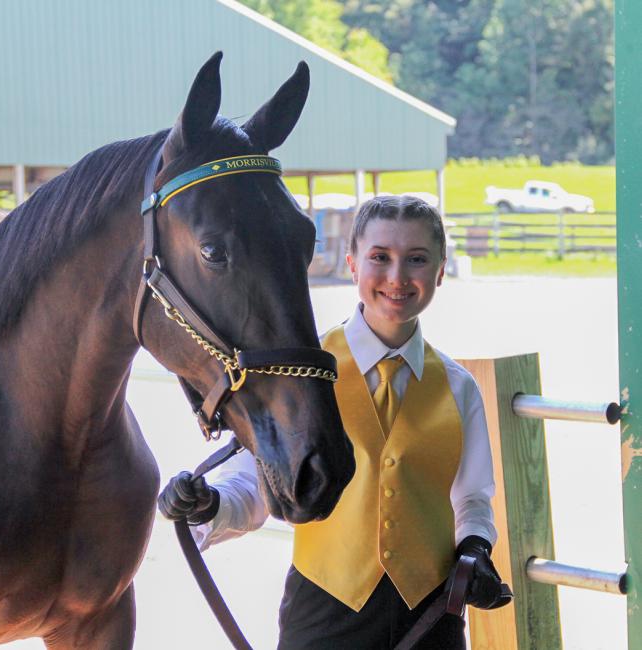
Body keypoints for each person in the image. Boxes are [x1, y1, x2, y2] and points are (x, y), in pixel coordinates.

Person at [158, 195, 504, 649]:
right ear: (353, 265)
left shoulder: (460, 388)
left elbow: (473, 498)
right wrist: (208, 505)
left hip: (430, 619)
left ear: (440, 271)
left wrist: (475, 547)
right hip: (325, 613)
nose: (398, 277)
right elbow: (253, 484)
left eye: (417, 259)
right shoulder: (298, 380)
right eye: (380, 257)